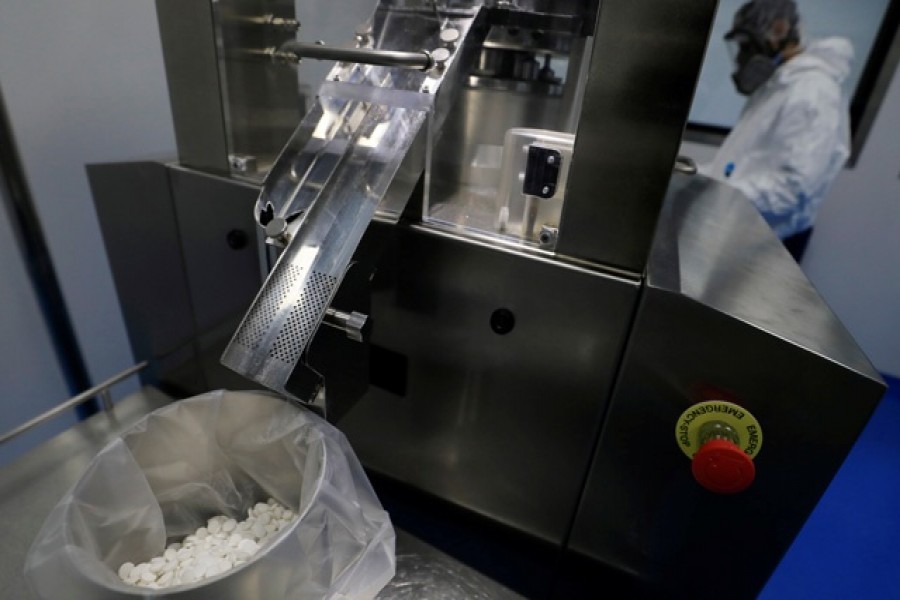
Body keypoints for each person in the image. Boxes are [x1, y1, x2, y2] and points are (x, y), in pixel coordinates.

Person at [705, 0, 853, 262]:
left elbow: (790, 191)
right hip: (744, 228)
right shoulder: (780, 85)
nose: (742, 57)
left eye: (747, 45)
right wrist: (696, 175)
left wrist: (714, 193)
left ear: (779, 30)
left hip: (768, 242)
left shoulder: (813, 91)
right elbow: (742, 164)